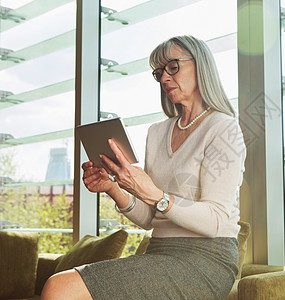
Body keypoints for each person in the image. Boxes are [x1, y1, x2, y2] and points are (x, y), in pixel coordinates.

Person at [41, 35, 246, 300]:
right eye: (159, 73)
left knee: (59, 287)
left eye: (173, 67)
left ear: (201, 66)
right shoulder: (157, 132)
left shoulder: (223, 127)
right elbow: (151, 218)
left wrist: (155, 194)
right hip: (159, 252)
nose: (163, 79)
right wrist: (113, 188)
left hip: (206, 260)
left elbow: (215, 221)